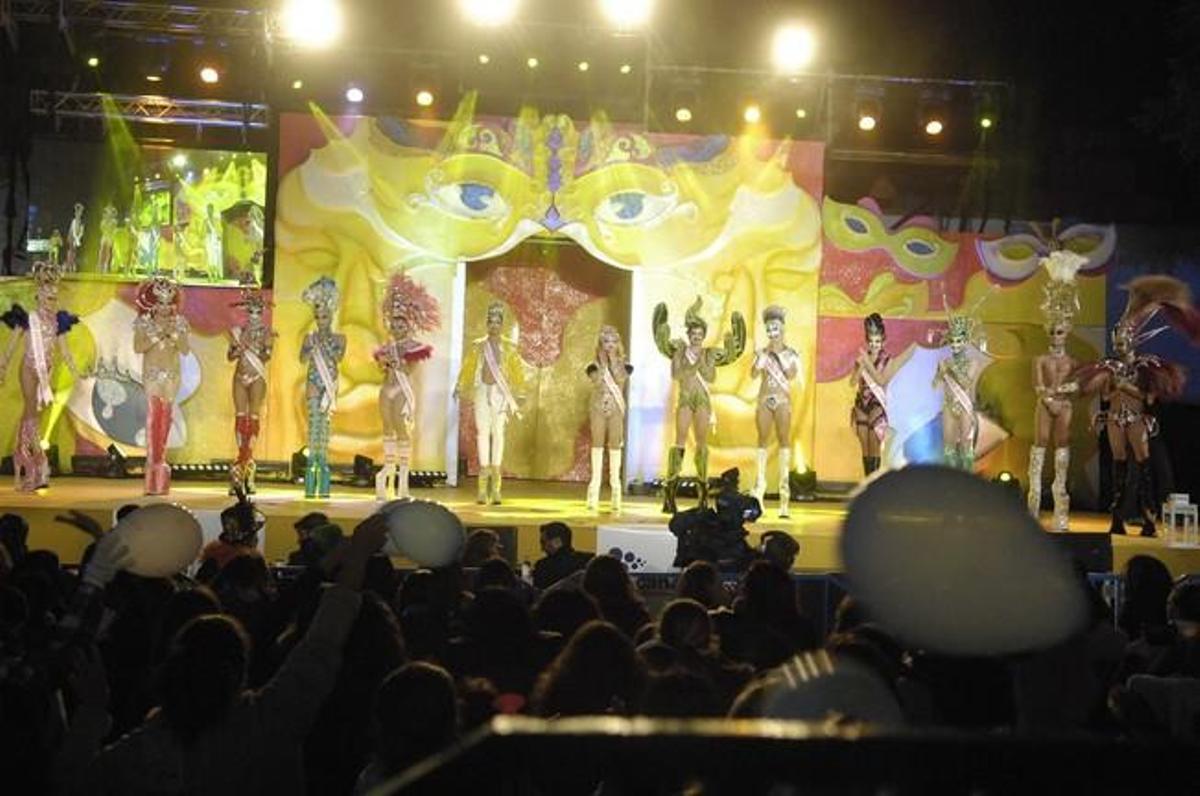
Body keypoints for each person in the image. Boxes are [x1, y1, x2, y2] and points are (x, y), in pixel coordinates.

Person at [1077, 276, 1199, 536]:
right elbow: (1106, 395)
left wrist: (1126, 386)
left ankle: (1149, 519)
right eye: (1117, 338)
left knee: (1144, 469)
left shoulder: (1145, 366)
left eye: (1124, 337)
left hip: (1136, 419)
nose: (1120, 342)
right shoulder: (1109, 367)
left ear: (1132, 340)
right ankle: (1117, 519)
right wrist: (1107, 392)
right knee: (1118, 468)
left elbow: (1148, 398)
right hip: (1115, 420)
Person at [653, 296, 746, 512]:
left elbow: (710, 377)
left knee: (702, 444)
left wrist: (704, 363)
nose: (696, 337)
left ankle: (703, 494)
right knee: (680, 441)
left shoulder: (708, 353)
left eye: (700, 334)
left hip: (702, 400)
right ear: (689, 335)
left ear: (704, 336)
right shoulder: (679, 351)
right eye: (693, 334)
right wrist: (689, 364)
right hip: (686, 398)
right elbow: (677, 374)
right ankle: (670, 493)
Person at [0, 261, 83, 491]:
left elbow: (65, 351)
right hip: (28, 369)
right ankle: (39, 459)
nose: (51, 303)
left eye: (54, 299)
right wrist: (3, 366)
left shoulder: (58, 321)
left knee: (32, 415)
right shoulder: (28, 319)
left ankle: (22, 454)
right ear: (38, 297)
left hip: (46, 372)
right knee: (31, 410)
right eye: (48, 299)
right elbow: (11, 348)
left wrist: (75, 370)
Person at [1027, 250, 1085, 530]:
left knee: (1062, 452)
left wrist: (1068, 388)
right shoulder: (1040, 359)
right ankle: (1033, 507)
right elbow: (1037, 384)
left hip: (1064, 406)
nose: (1055, 336)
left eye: (1059, 331)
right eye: (1052, 331)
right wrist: (1048, 398)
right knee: (1039, 448)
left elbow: (1079, 383)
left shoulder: (1072, 361)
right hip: (1046, 404)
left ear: (1067, 331)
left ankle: (1061, 512)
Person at [374, 273, 439, 501]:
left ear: (408, 324)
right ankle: (388, 472)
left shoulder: (414, 347)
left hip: (402, 390)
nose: (397, 326)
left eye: (401, 323)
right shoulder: (386, 346)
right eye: (394, 323)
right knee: (387, 428)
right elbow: (382, 368)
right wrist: (385, 363)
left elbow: (409, 369)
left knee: (401, 430)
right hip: (387, 389)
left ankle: (402, 480)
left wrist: (397, 361)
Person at [455, 301, 525, 505]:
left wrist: (519, 392)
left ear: (502, 324)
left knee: (498, 434)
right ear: (487, 324)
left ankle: (496, 487)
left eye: (497, 322)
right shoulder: (478, 346)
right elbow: (468, 368)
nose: (494, 326)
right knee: (482, 433)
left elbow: (517, 371)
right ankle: (482, 486)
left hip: (500, 395)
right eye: (490, 322)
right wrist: (460, 385)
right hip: (482, 391)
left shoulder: (509, 347)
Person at [132, 275, 190, 495]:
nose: (165, 308)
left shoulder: (180, 323)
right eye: (161, 302)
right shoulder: (144, 323)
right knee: (153, 418)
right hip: (153, 375)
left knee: (166, 419)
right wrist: (157, 335)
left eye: (168, 303)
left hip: (172, 375)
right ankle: (153, 466)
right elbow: (138, 347)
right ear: (153, 304)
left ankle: (161, 467)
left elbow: (185, 349)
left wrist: (173, 334)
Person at [750, 306, 800, 518]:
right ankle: (759, 494)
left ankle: (784, 497)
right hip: (764, 398)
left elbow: (791, 375)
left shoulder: (791, 353)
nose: (772, 332)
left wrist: (779, 357)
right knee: (762, 441)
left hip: (782, 400)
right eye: (769, 328)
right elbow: (753, 374)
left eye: (776, 328)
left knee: (784, 441)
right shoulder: (762, 352)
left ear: (782, 328)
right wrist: (761, 359)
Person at [227, 277, 275, 495]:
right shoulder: (238, 330)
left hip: (257, 376)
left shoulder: (267, 333)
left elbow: (266, 356)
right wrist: (237, 348)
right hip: (240, 375)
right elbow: (230, 356)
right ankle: (241, 460)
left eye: (258, 312)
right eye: (251, 311)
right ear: (246, 312)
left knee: (253, 416)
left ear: (262, 312)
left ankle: (246, 464)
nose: (254, 315)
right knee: (240, 417)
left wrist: (255, 346)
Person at [299, 276, 346, 499]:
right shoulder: (309, 338)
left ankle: (323, 466)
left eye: (324, 316)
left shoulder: (340, 338)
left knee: (325, 428)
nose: (320, 321)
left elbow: (338, 357)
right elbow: (302, 359)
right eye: (317, 317)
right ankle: (312, 468)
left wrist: (325, 342)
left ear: (332, 316)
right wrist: (309, 348)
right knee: (313, 427)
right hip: (313, 382)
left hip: (329, 384)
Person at [585, 325, 632, 513]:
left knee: (614, 445)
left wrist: (613, 360)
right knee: (597, 445)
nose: (610, 345)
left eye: (613, 342)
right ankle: (593, 490)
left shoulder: (625, 365)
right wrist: (603, 363)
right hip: (597, 407)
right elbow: (596, 381)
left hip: (616, 409)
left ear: (618, 344)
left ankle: (616, 490)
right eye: (606, 342)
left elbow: (620, 379)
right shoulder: (593, 365)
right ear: (600, 344)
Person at [933, 312, 983, 471]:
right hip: (948, 405)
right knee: (948, 447)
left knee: (966, 447)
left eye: (958, 341)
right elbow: (935, 385)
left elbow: (965, 382)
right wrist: (939, 373)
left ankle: (966, 480)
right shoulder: (946, 361)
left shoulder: (972, 362)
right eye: (952, 341)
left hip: (964, 406)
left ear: (965, 341)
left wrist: (951, 368)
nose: (955, 345)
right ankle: (950, 480)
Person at [850, 313, 894, 477]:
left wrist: (868, 363)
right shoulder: (862, 359)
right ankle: (867, 482)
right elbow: (852, 382)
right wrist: (861, 366)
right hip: (861, 405)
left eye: (877, 341)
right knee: (865, 448)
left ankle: (875, 484)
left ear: (883, 341)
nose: (874, 345)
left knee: (874, 446)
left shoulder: (887, 360)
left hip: (877, 405)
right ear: (867, 341)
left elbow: (882, 381)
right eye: (871, 341)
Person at [532, 522, 592, 590]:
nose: (542, 548)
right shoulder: (588, 561)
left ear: (557, 542)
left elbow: (539, 594)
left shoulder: (543, 566)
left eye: (543, 542)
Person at [203, 204, 223, 282]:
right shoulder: (205, 221)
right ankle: (210, 275)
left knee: (216, 258)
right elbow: (202, 232)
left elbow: (220, 230)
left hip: (215, 241)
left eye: (210, 209)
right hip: (208, 240)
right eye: (208, 209)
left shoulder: (216, 220)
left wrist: (219, 236)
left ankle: (216, 275)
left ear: (213, 210)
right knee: (209, 258)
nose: (209, 211)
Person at [97, 204, 118, 275]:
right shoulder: (103, 221)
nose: (109, 214)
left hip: (110, 237)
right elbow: (102, 229)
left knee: (108, 252)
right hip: (104, 236)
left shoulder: (114, 221)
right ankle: (100, 265)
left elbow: (113, 229)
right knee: (101, 251)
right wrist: (106, 221)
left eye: (110, 212)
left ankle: (105, 266)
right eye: (107, 212)